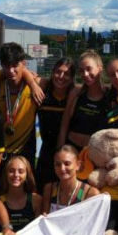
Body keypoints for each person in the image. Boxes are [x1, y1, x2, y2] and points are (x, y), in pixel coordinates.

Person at [0, 43, 44, 168]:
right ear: (1, 65)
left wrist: (32, 82)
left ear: (23, 64)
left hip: (25, 151)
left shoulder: (37, 85)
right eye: (7, 66)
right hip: (0, 151)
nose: (11, 71)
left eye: (15, 66)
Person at [58, 50, 110, 150]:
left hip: (95, 153)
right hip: (72, 150)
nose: (85, 74)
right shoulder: (76, 93)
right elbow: (64, 125)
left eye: (89, 69)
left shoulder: (109, 95)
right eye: (81, 70)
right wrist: (60, 149)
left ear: (100, 68)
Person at [35, 57, 74, 186]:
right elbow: (24, 72)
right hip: (46, 150)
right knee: (44, 188)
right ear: (52, 73)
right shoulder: (43, 89)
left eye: (66, 74)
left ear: (72, 77)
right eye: (58, 71)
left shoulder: (75, 94)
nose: (61, 76)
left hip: (69, 151)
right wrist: (31, 82)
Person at [39, 144, 100, 214]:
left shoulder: (90, 193)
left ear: (78, 165)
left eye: (67, 164)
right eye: (58, 164)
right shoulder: (49, 189)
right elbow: (44, 219)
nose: (62, 168)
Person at [0, 154, 41, 231]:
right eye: (11, 171)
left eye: (21, 171)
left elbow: (39, 232)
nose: (16, 175)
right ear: (6, 174)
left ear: (27, 175)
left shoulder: (36, 200)